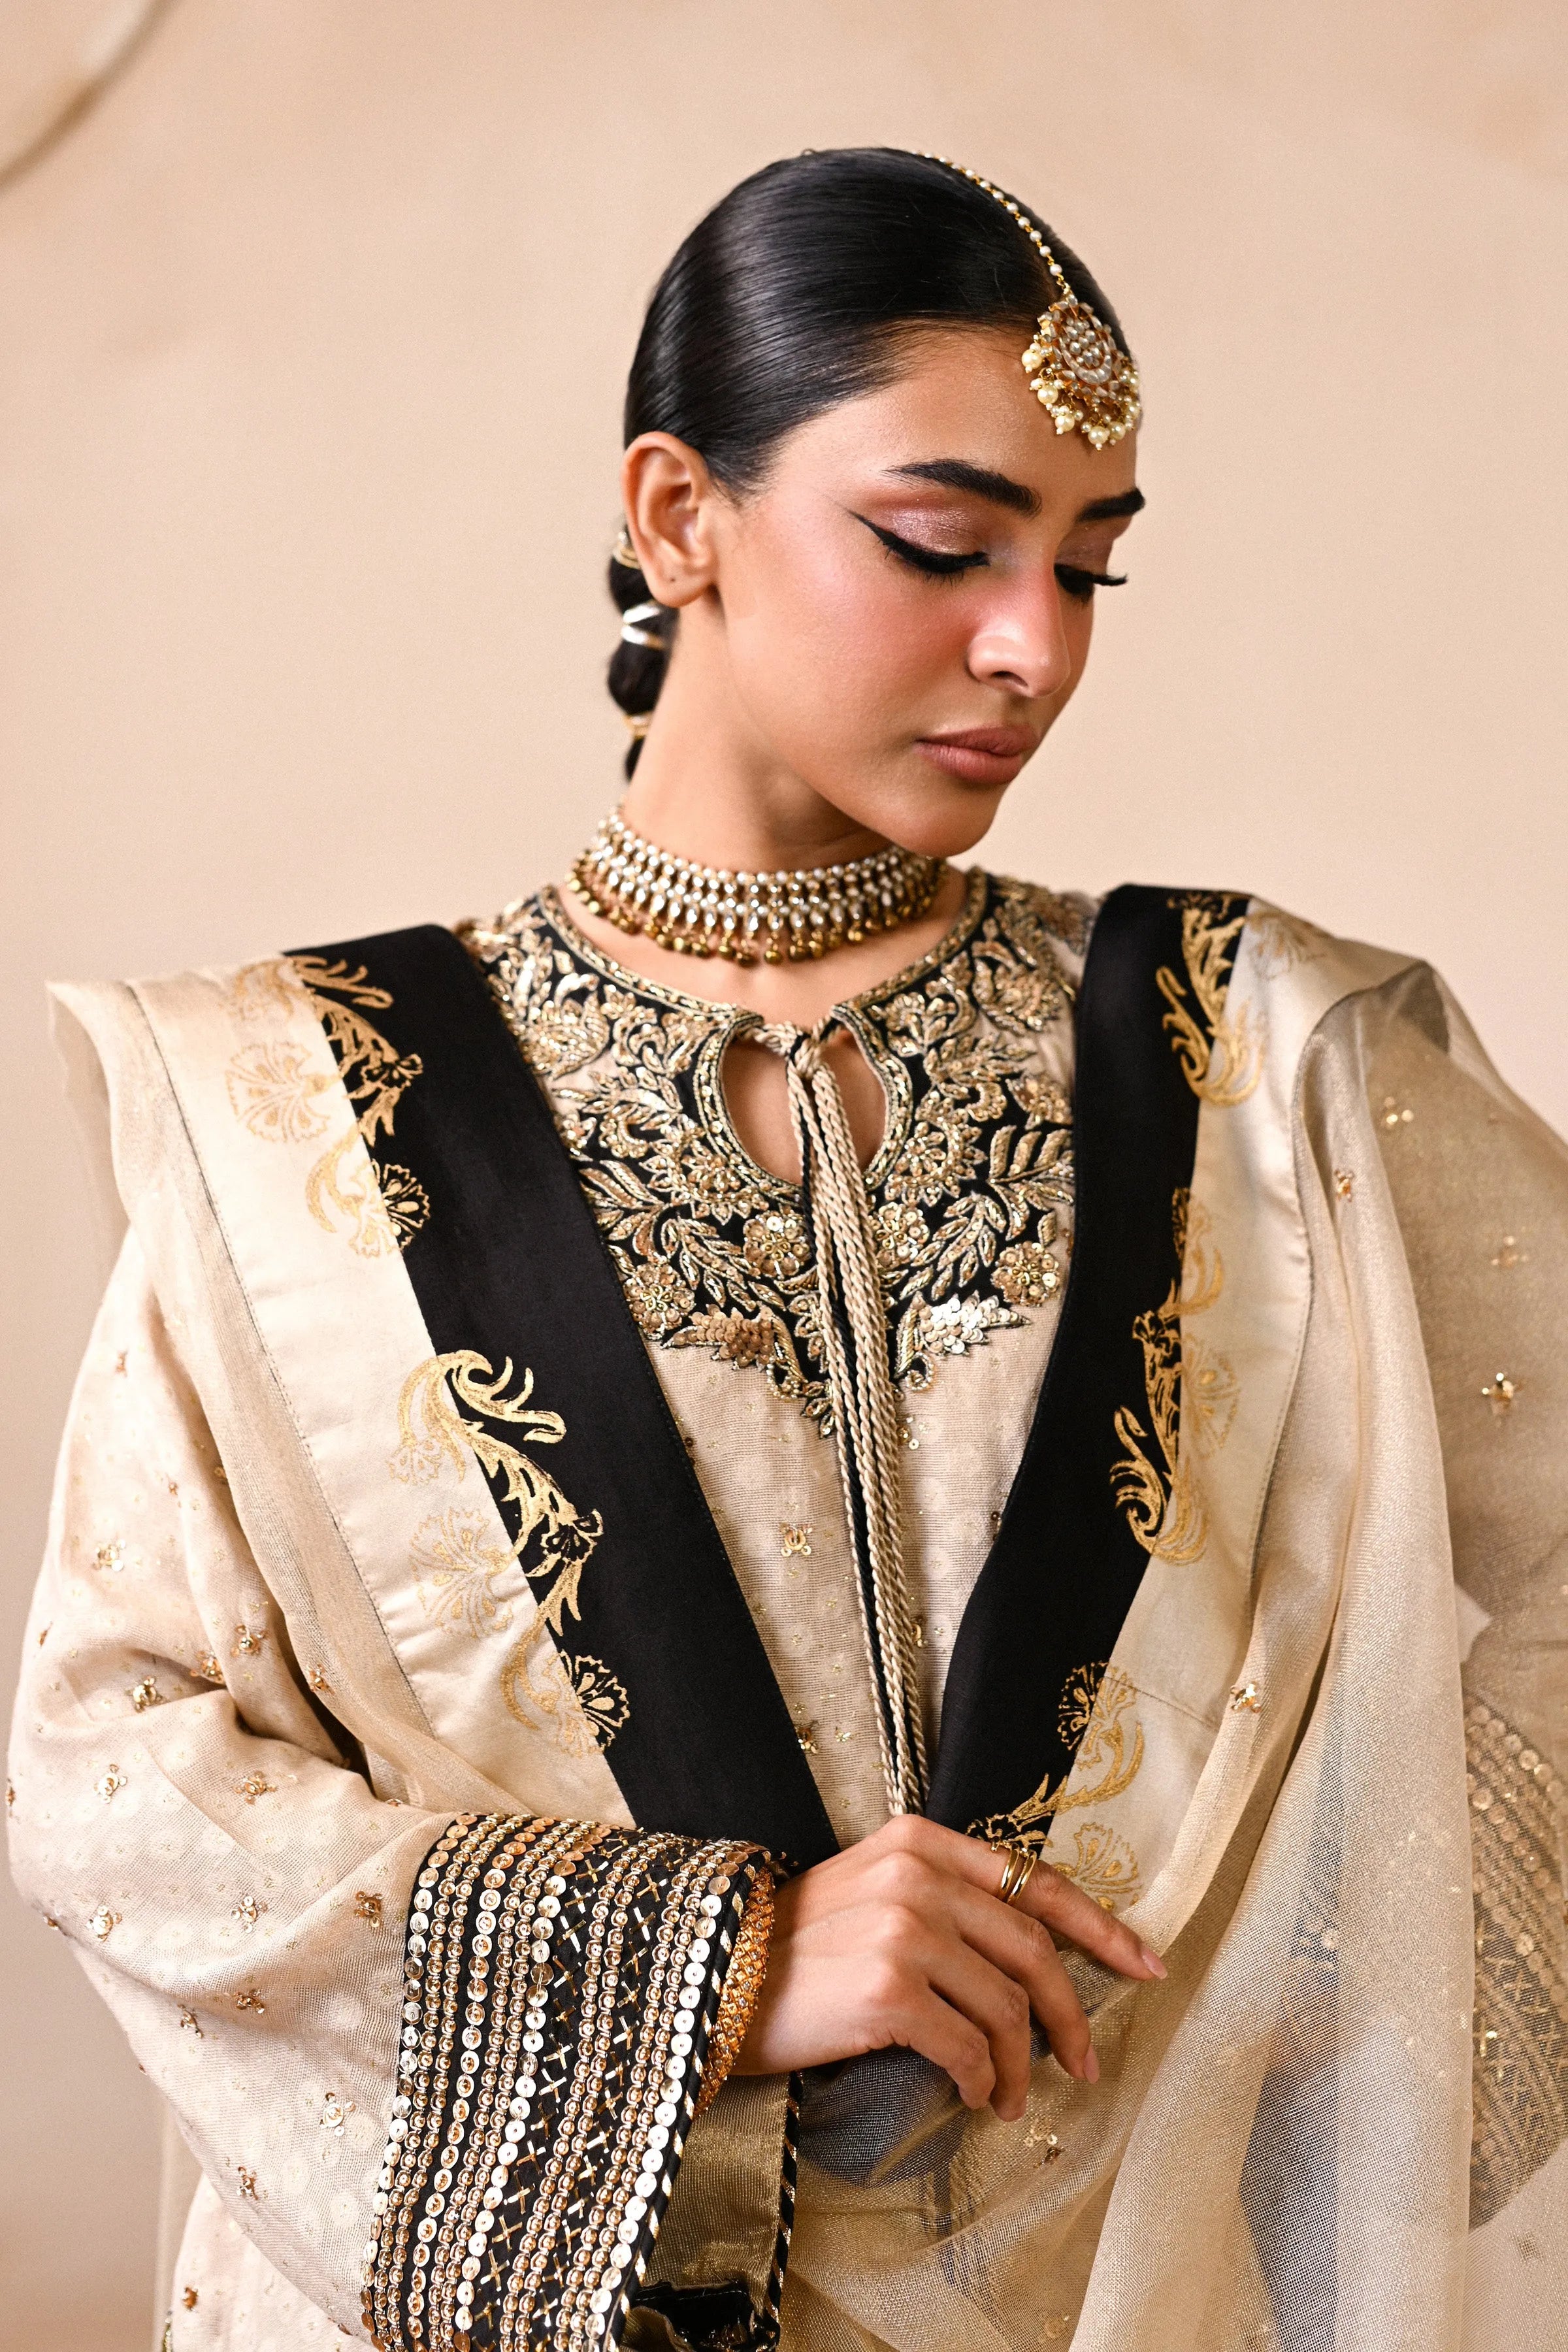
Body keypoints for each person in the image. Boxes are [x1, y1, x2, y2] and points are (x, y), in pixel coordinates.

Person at [9, 146, 1564, 2352]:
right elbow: (110, 1772)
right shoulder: (298, 1109)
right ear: (679, 517)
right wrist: (715, 1970)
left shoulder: (1255, 1057)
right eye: (942, 543)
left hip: (1126, 2294)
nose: (1034, 646)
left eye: (1090, 565)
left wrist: (1307, 2014)